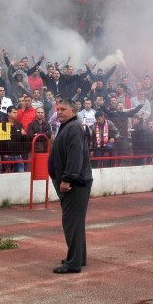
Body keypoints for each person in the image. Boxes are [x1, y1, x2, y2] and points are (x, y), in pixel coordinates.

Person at [47, 99, 93, 274]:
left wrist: (67, 179)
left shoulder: (73, 128)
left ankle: (73, 263)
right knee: (76, 223)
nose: (59, 112)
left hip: (75, 183)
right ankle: (78, 258)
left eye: (63, 109)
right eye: (58, 109)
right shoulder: (68, 127)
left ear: (74, 111)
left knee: (71, 223)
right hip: (76, 182)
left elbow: (75, 156)